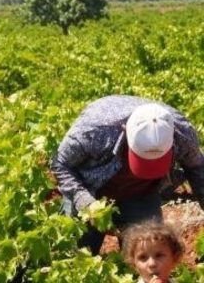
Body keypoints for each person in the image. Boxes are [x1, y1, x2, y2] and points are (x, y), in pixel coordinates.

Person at [50, 95, 204, 254]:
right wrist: (84, 200)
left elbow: (197, 167)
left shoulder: (182, 132)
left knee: (147, 256)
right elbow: (60, 163)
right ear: (125, 131)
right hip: (90, 188)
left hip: (141, 194)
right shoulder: (95, 130)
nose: (149, 167)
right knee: (77, 254)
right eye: (142, 159)